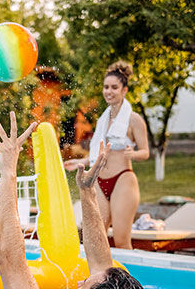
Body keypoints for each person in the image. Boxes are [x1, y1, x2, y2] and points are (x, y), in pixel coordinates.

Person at [0, 112, 149, 289]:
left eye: (84, 285)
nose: (80, 280)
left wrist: (8, 171)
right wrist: (87, 193)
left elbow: (7, 261)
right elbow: (102, 264)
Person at [64, 61, 150, 249]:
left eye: (114, 87)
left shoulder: (134, 120)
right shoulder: (103, 120)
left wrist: (133, 154)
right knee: (97, 238)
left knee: (120, 240)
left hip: (123, 180)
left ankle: (128, 278)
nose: (108, 91)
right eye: (106, 87)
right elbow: (100, 153)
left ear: (124, 90)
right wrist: (82, 161)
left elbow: (145, 152)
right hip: (99, 181)